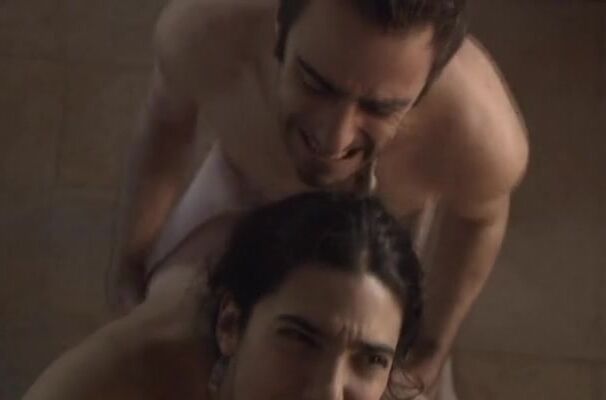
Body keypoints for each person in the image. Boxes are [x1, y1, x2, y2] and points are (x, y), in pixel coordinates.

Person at [113, 0, 529, 397]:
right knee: (147, 350)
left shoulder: (481, 134)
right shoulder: (204, 31)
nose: (334, 139)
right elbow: (167, 124)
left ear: (426, 87)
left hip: (380, 230)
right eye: (315, 83)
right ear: (281, 31)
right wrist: (131, 263)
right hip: (241, 194)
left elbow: (481, 219)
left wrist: (432, 348)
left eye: (379, 108)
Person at [25, 192, 423, 400]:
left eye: (371, 360)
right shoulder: (113, 382)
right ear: (230, 325)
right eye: (301, 339)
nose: (328, 393)